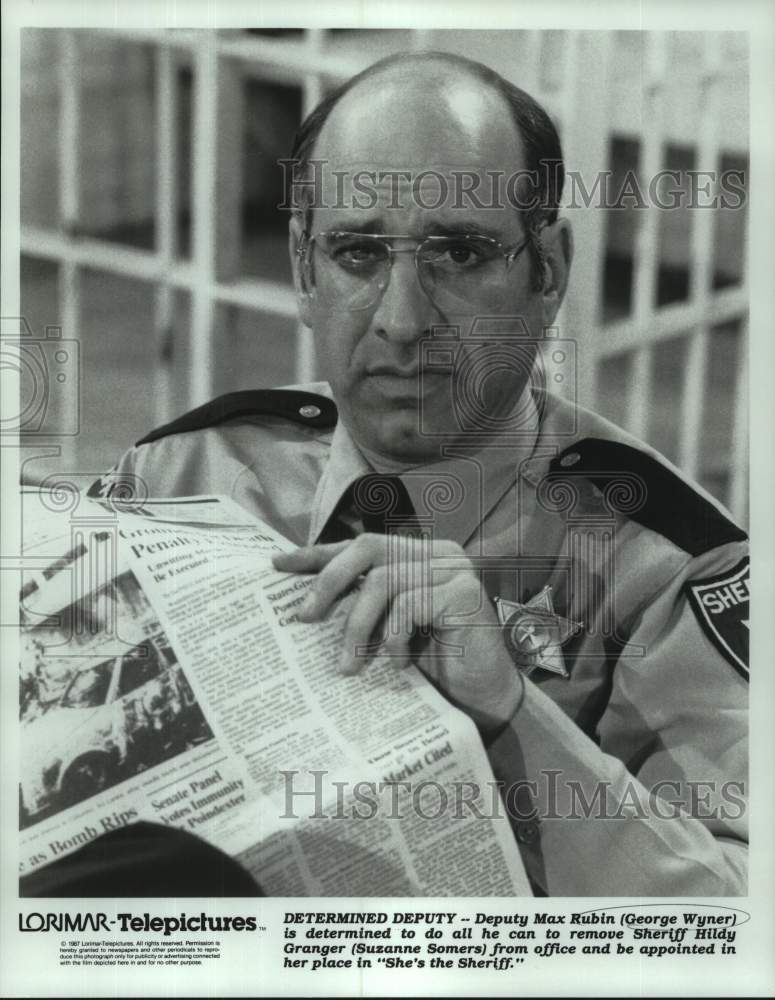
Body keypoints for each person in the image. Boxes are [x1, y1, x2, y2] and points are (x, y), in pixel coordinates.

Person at [77, 51, 746, 897]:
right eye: (358, 253)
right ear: (302, 267)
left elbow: (740, 921)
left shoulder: (670, 569)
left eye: (458, 255)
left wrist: (510, 712)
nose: (400, 320)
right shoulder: (186, 473)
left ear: (546, 273)